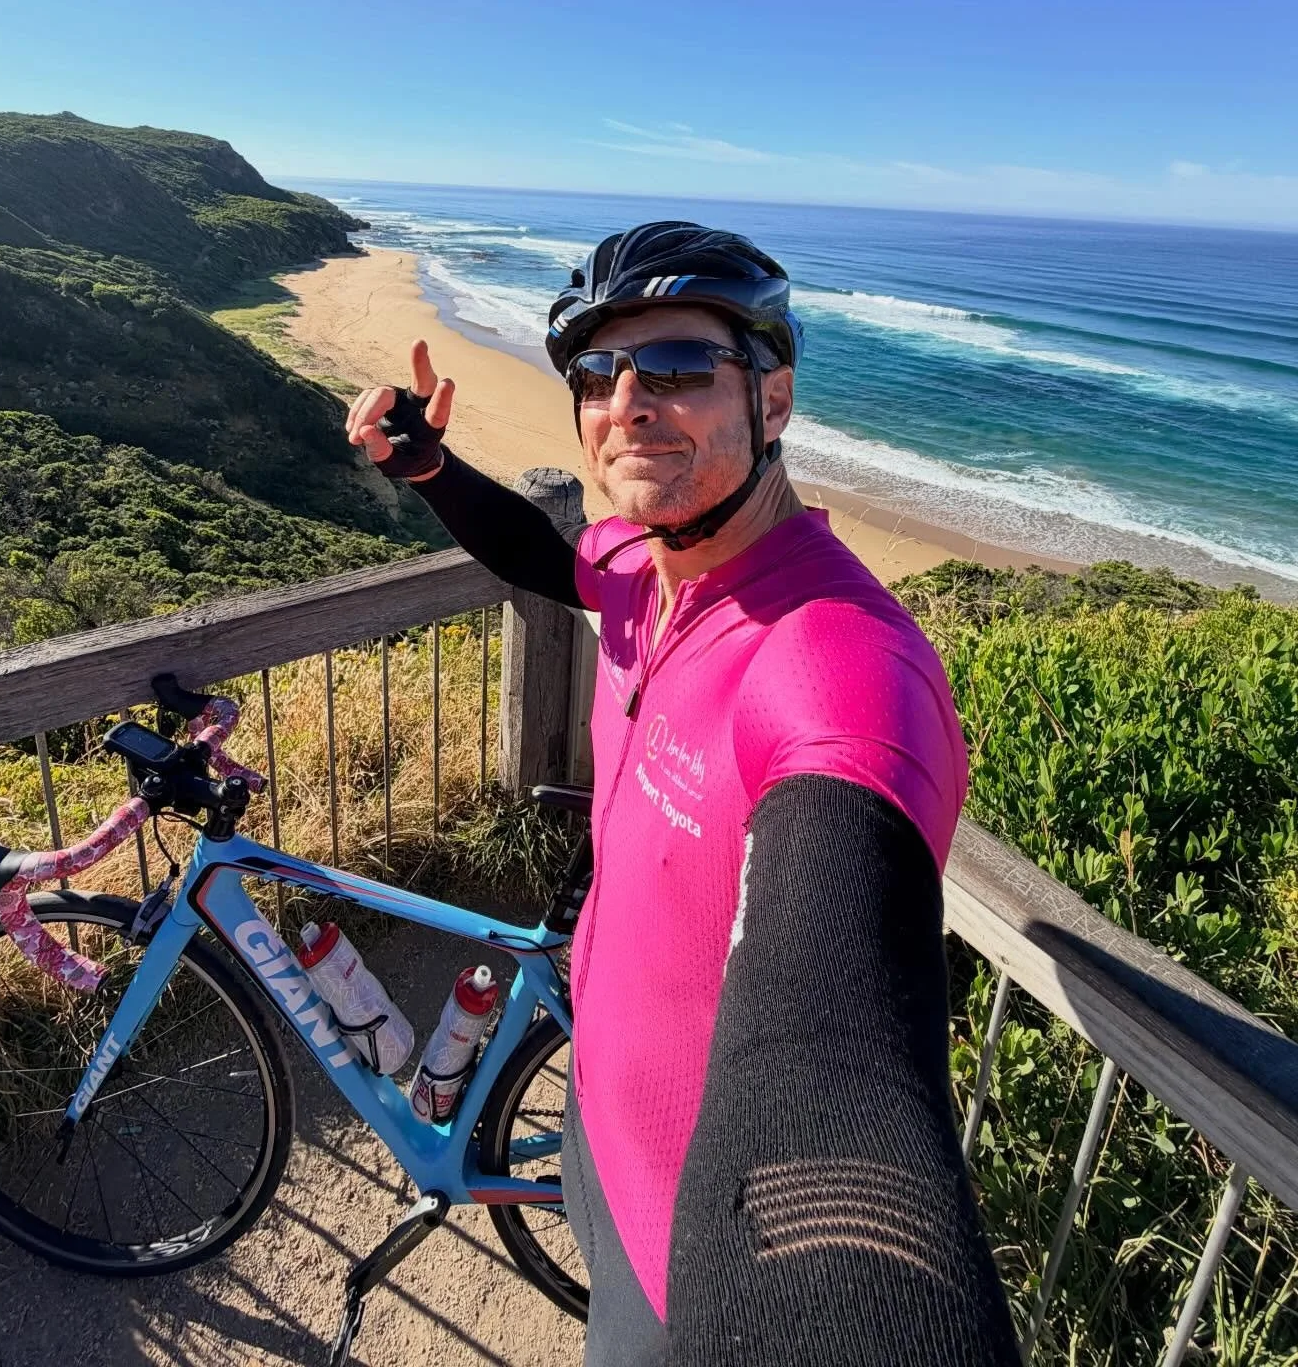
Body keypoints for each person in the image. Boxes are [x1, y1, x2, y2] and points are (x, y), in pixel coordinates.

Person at [346, 221, 1020, 1366]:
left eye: (674, 367)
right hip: (593, 1124)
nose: (627, 403)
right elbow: (546, 555)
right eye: (598, 374)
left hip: (700, 1276)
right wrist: (428, 471)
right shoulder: (642, 572)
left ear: (774, 397)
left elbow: (831, 1060)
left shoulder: (838, 667)